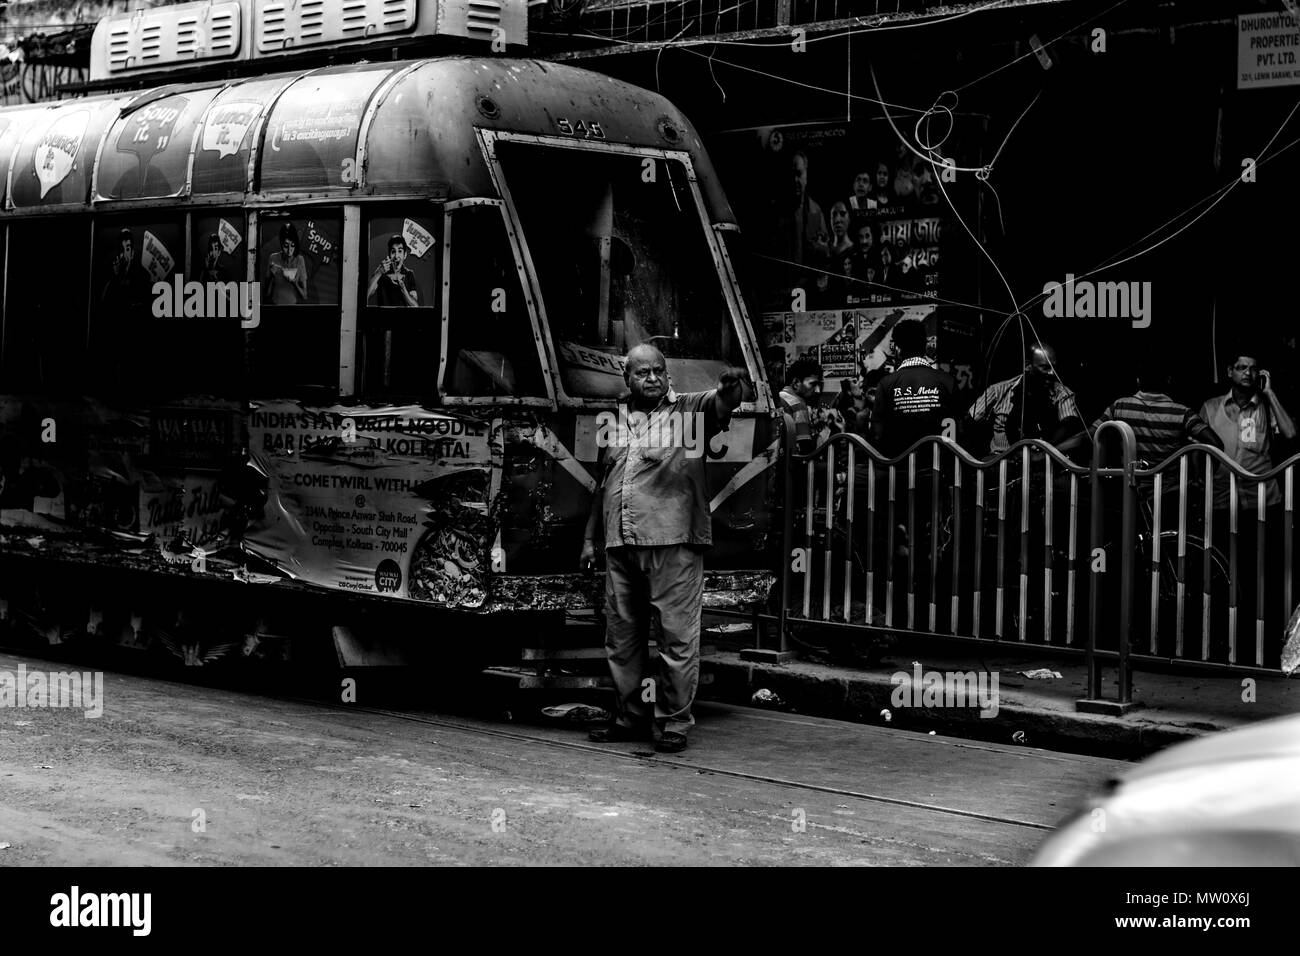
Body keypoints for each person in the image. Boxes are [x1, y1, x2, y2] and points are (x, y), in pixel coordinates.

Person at [579, 345, 755, 753]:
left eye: (659, 371)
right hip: (619, 541)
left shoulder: (689, 413)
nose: (653, 378)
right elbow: (603, 481)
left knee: (676, 637)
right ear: (628, 378)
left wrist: (732, 389)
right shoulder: (616, 418)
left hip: (672, 541)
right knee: (622, 640)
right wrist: (590, 539)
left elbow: (723, 404)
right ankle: (630, 716)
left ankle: (673, 722)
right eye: (643, 373)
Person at [1199, 351, 1296, 514]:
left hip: (1262, 499)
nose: (1248, 373)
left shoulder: (1266, 406)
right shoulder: (1210, 407)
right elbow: (1196, 448)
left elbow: (1290, 433)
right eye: (1242, 368)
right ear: (1230, 371)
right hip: (1221, 499)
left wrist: (1269, 393)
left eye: (1253, 369)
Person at [965, 342, 1085, 457]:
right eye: (1045, 367)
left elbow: (1068, 424)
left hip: (1041, 462)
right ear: (1028, 365)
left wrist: (1042, 451)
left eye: (1054, 367)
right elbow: (969, 421)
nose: (1052, 373)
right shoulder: (998, 390)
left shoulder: (1062, 393)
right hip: (1000, 461)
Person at [871, 320, 956, 458]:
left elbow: (877, 433)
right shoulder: (947, 381)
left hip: (899, 468)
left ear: (897, 349)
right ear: (924, 346)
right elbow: (957, 425)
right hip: (938, 465)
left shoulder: (886, 384)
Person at [778, 357, 823, 455]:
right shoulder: (798, 404)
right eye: (813, 384)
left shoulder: (780, 397)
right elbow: (805, 448)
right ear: (796, 383)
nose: (817, 390)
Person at [100, 228, 152, 307]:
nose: (124, 254)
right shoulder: (110, 278)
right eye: (121, 250)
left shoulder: (143, 276)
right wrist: (115, 278)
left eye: (127, 249)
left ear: (132, 254)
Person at [367, 235, 420, 307]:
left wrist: (404, 290)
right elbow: (367, 295)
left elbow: (415, 306)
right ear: (389, 255)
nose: (396, 256)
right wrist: (379, 272)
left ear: (405, 255)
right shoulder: (381, 271)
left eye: (400, 251)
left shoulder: (409, 274)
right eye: (393, 252)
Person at [264, 222, 308, 304]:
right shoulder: (273, 258)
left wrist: (295, 283)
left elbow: (304, 296)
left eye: (293, 245)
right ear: (281, 243)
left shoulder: (300, 260)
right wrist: (271, 278)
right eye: (286, 245)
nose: (289, 250)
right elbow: (266, 294)